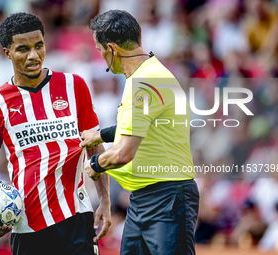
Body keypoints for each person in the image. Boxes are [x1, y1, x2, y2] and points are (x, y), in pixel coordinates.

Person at [0, 12, 111, 255]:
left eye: (39, 46)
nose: (33, 56)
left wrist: (105, 202)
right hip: (27, 225)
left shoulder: (74, 86)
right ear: (7, 52)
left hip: (77, 218)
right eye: (23, 49)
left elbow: (95, 147)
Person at [80, 10, 199, 255]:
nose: (101, 56)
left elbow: (124, 152)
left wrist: (95, 164)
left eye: (100, 49)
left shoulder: (146, 80)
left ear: (112, 48)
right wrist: (100, 135)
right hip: (143, 200)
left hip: (168, 199)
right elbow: (138, 127)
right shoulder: (144, 75)